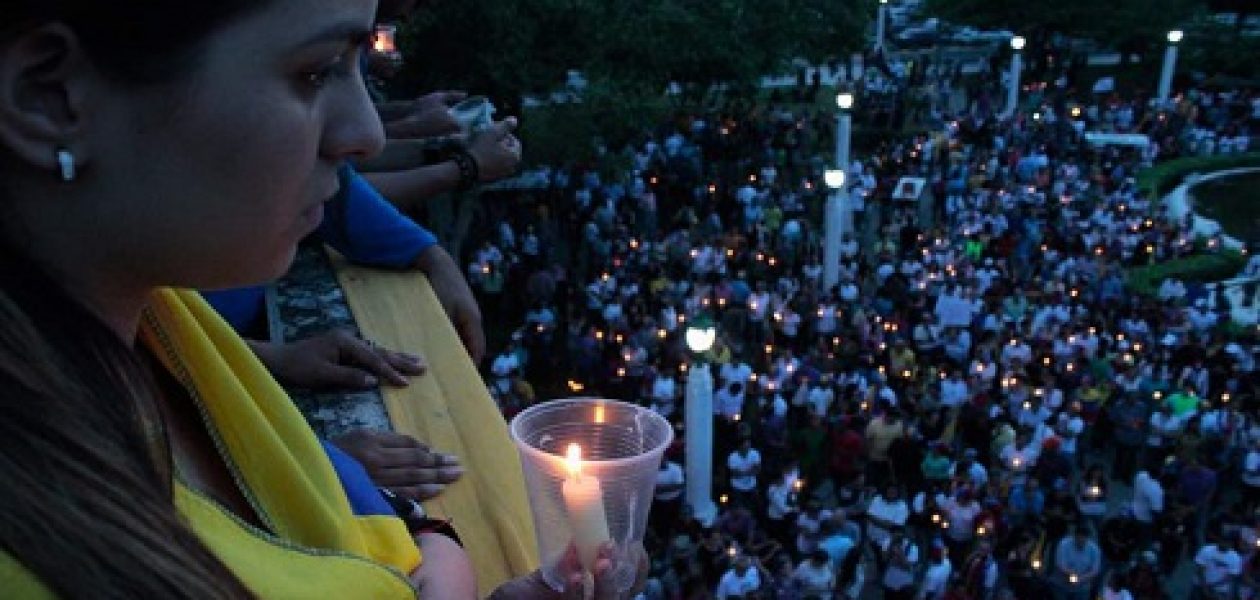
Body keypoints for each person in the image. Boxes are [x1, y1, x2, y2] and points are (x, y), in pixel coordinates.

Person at [0, 2, 640, 597]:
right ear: (51, 97)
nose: (364, 134)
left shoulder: (161, 326)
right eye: (314, 71)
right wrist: (437, 543)